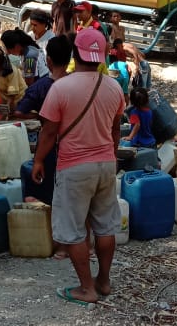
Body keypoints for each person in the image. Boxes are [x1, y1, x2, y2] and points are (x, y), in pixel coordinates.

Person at [33, 28, 125, 305]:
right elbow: (116, 129)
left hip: (74, 167)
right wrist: (110, 153)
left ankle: (87, 288)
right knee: (105, 227)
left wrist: (38, 160)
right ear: (101, 56)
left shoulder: (61, 88)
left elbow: (49, 132)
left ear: (75, 54)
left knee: (73, 230)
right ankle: (104, 281)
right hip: (106, 163)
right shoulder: (114, 87)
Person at [12, 35, 72, 120]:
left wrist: (40, 116)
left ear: (48, 60)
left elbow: (18, 112)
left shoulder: (39, 87)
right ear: (69, 59)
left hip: (48, 130)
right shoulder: (77, 83)